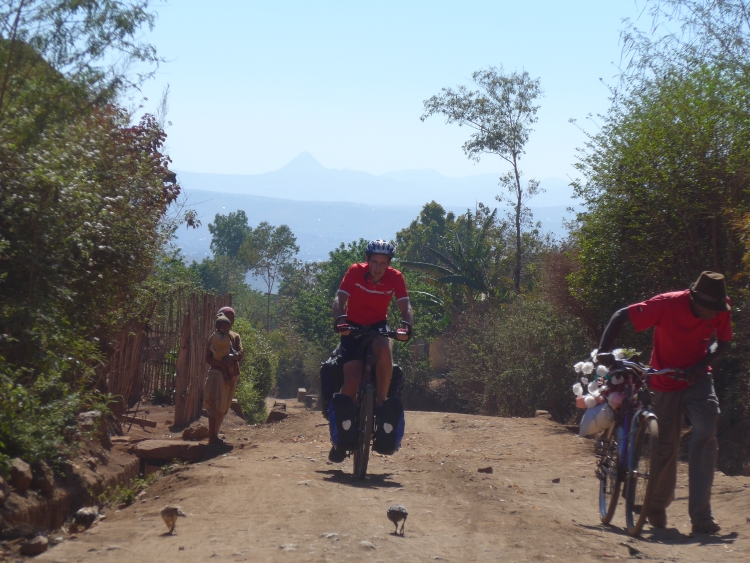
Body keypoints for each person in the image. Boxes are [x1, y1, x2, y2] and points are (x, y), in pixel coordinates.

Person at [597, 271, 732, 534]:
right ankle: (655, 506)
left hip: (698, 377)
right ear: (695, 300)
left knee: (706, 430)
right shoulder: (668, 303)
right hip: (665, 379)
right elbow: (621, 315)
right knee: (666, 445)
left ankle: (702, 517)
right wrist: (604, 350)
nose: (713, 314)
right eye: (709, 309)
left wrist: (700, 365)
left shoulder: (720, 306)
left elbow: (723, 342)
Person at [327, 240, 413, 462]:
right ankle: (342, 439)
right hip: (352, 327)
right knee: (353, 377)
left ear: (388, 264)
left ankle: (382, 402)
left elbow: (406, 305)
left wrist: (406, 325)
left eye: (383, 263)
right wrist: (340, 320)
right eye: (374, 262)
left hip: (378, 327)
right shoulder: (355, 272)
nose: (378, 267)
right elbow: (340, 298)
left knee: (384, 350)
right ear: (367, 261)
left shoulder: (395, 277)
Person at [203, 306, 244, 446]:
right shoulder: (213, 338)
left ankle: (215, 435)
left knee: (224, 406)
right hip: (216, 374)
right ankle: (212, 437)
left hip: (231, 375)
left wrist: (233, 357)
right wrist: (221, 363)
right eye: (228, 318)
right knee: (214, 405)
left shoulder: (235, 337)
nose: (230, 322)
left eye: (232, 319)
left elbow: (240, 353)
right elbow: (208, 358)